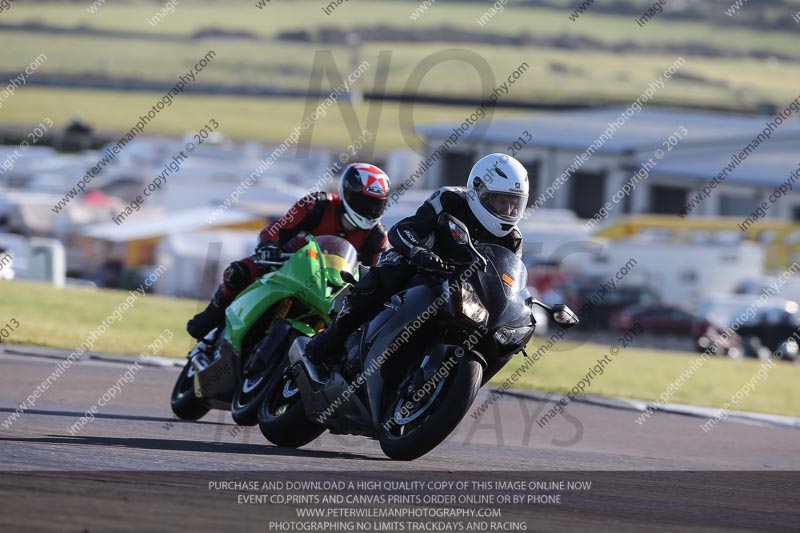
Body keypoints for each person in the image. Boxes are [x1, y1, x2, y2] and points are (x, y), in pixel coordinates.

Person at [305, 153, 529, 365]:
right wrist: (419, 252)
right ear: (479, 191)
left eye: (514, 203)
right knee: (389, 273)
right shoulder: (449, 199)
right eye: (501, 201)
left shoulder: (513, 238)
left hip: (465, 291)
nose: (508, 209)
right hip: (420, 267)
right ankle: (331, 339)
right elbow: (404, 229)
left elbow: (509, 281)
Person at [186, 163, 392, 340]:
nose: (369, 210)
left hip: (333, 287)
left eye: (376, 205)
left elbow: (380, 272)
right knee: (238, 272)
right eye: (364, 202)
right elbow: (278, 228)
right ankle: (211, 316)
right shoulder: (318, 204)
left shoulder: (377, 237)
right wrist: (269, 246)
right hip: (290, 263)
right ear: (347, 192)